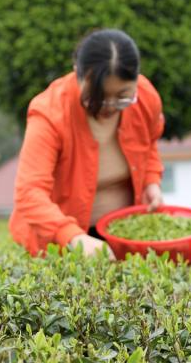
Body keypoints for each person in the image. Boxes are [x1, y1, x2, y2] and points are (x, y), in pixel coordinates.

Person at [9, 29, 165, 258]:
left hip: (121, 234)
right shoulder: (50, 113)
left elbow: (149, 144)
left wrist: (152, 182)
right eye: (97, 98)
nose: (110, 106)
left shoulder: (146, 97)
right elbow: (29, 192)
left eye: (122, 96)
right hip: (60, 243)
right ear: (77, 75)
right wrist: (74, 238)